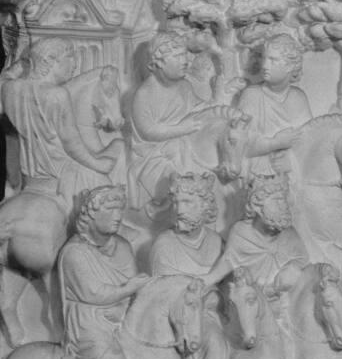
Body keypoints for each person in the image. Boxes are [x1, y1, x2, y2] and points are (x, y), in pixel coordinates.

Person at [149, 172, 242, 359]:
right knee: (214, 341)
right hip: (184, 320)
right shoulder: (164, 244)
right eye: (177, 203)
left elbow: (229, 283)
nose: (180, 210)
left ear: (204, 205)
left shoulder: (216, 242)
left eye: (188, 202)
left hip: (217, 312)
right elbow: (163, 294)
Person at [57, 185, 150, 359]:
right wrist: (129, 288)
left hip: (123, 315)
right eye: (110, 209)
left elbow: (132, 286)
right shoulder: (75, 252)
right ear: (90, 215)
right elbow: (94, 293)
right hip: (89, 322)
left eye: (119, 210)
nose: (117, 216)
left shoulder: (122, 246)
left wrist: (125, 308)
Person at [129, 32, 238, 208]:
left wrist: (217, 97)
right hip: (153, 154)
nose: (185, 61)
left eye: (185, 55)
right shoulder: (145, 94)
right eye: (178, 56)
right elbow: (147, 131)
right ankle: (167, 205)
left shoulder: (184, 86)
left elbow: (199, 109)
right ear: (158, 63)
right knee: (174, 175)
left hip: (182, 143)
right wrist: (181, 129)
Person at [0, 37, 116, 200]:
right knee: (106, 188)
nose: (75, 65)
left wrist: (20, 65)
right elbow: (71, 144)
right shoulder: (57, 94)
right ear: (49, 60)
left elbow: (5, 80)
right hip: (59, 170)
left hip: (27, 175)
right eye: (70, 57)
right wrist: (98, 164)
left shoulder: (10, 88)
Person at [204, 175, 309, 291]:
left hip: (279, 296)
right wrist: (204, 282)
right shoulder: (241, 232)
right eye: (277, 201)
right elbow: (228, 262)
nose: (284, 206)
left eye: (284, 200)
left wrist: (292, 269)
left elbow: (302, 260)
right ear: (257, 206)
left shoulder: (290, 235)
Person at [238, 34, 313, 178]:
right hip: (256, 176)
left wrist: (292, 161)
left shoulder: (298, 98)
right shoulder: (252, 95)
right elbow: (240, 144)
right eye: (265, 59)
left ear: (290, 66)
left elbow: (308, 142)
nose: (265, 66)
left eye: (273, 60)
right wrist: (275, 143)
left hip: (288, 177)